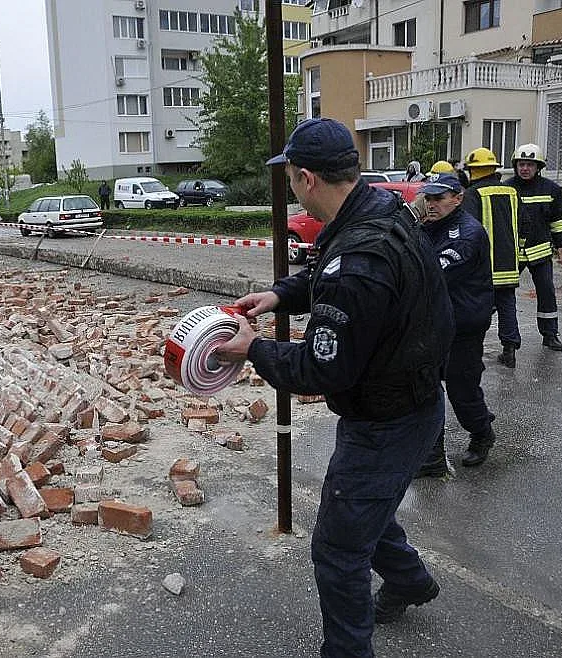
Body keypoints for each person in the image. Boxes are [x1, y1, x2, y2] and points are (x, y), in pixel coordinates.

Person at [214, 118, 454, 657]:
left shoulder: (360, 258)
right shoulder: (377, 210)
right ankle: (413, 582)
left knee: (338, 548)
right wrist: (279, 296)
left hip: (384, 420)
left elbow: (324, 370)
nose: (292, 187)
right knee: (369, 507)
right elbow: (326, 275)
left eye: (291, 179)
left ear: (306, 178)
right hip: (412, 403)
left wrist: (252, 349)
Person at [413, 174, 497, 474]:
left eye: (439, 198)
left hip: (464, 324)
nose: (431, 204)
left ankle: (482, 431)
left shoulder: (468, 233)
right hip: (434, 322)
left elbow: (435, 272)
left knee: (462, 389)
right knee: (427, 386)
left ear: (457, 198)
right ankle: (432, 455)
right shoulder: (426, 227)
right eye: (429, 198)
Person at [504, 143, 562, 352]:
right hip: (513, 253)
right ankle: (497, 338)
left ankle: (550, 335)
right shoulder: (506, 188)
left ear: (538, 167)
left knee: (547, 292)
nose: (525, 168)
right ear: (515, 166)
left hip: (540, 251)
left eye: (529, 165)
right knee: (501, 295)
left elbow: (557, 220)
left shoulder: (551, 189)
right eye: (521, 164)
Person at [460, 147, 521, 369]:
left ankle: (473, 350)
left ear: (472, 171)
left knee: (480, 307)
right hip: (509, 264)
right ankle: (510, 350)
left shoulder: (472, 194)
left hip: (485, 265)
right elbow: (523, 224)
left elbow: (468, 229)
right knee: (507, 305)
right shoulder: (512, 192)